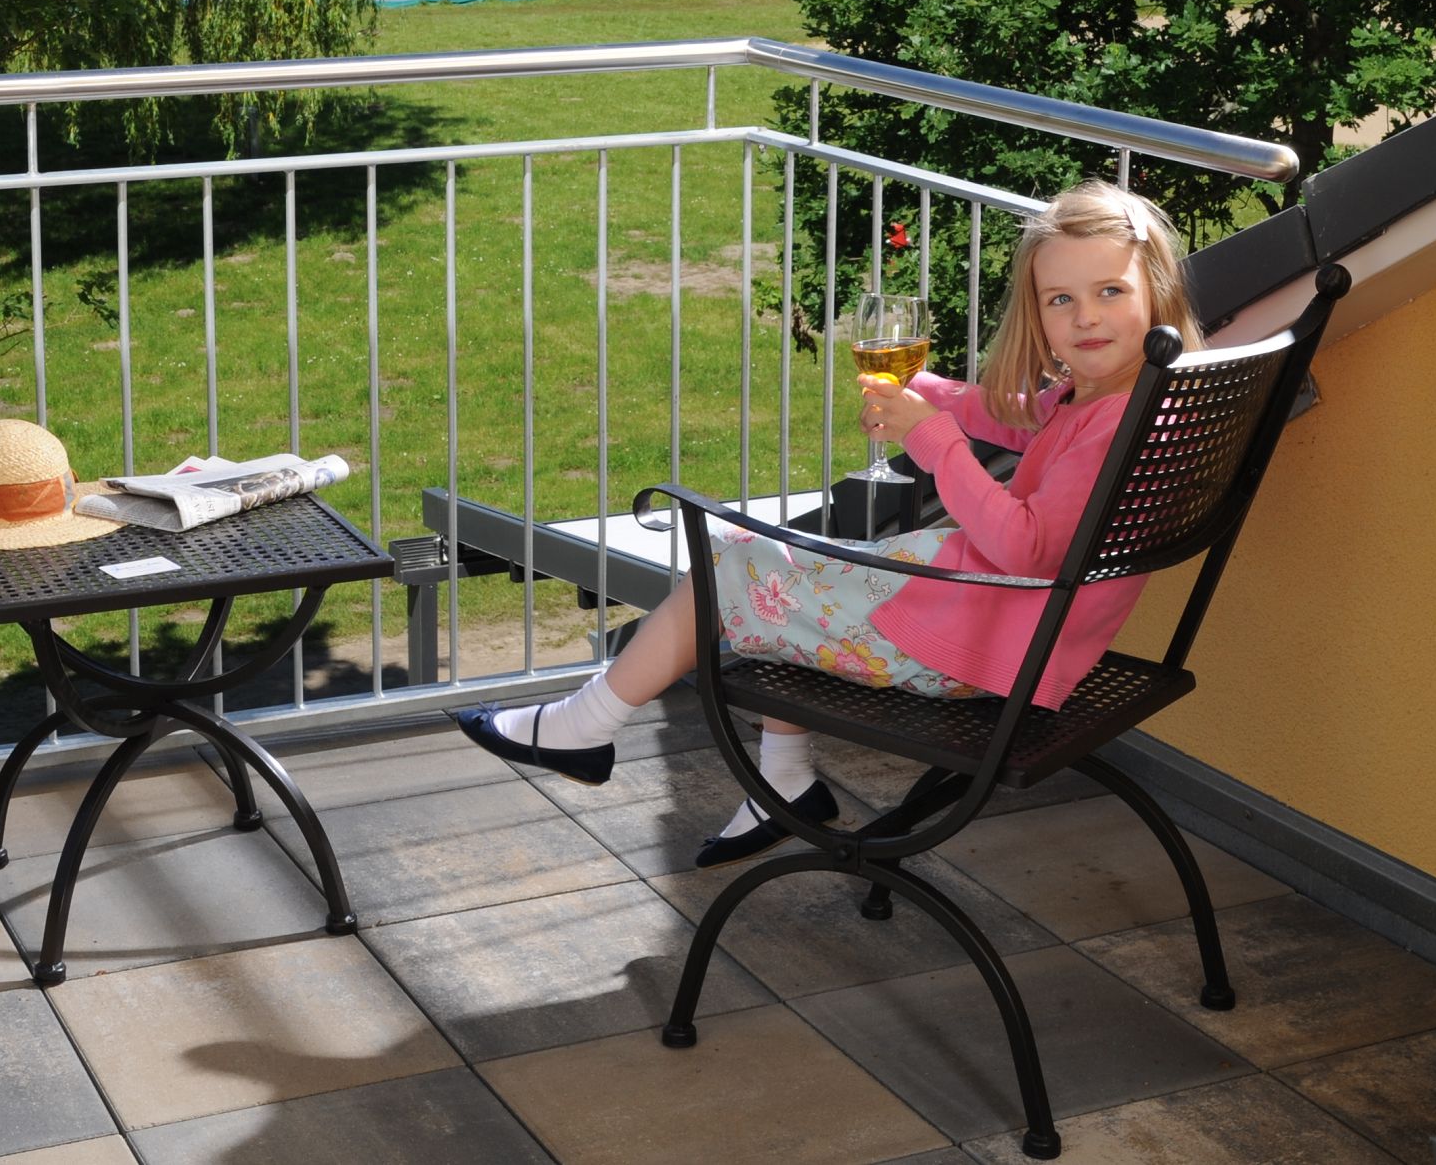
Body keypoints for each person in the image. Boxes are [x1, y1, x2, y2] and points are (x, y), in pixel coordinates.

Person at [452, 179, 1203, 864]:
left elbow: (1027, 548)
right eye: (1059, 300)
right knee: (809, 564)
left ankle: (586, 727)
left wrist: (931, 442)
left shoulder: (1113, 424)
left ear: (1158, 290)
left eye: (1109, 291)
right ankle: (784, 782)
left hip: (977, 650)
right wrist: (928, 391)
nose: (1086, 316)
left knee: (732, 562)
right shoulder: (1128, 397)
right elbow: (1014, 419)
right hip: (1008, 627)